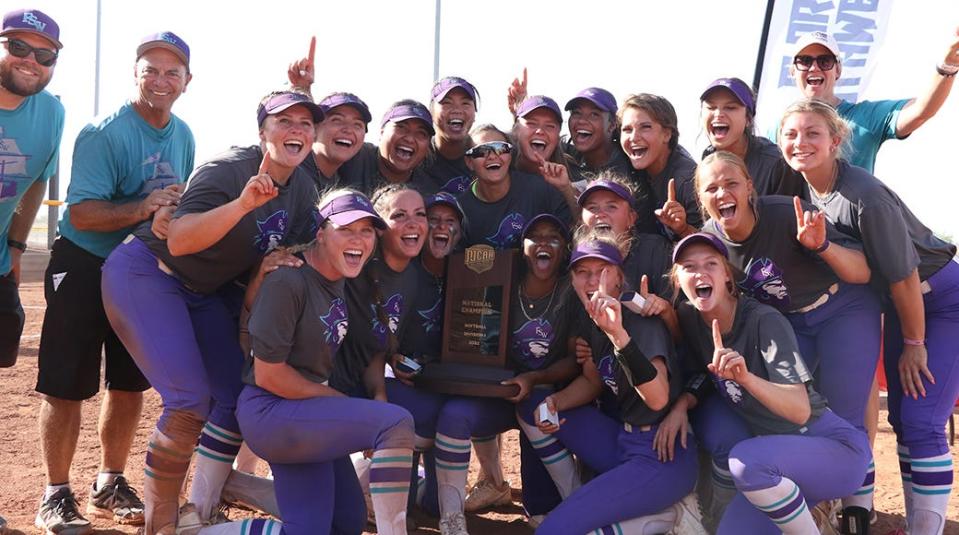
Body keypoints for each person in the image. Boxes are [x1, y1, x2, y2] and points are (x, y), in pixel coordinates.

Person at [100, 90, 323, 534]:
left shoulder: (302, 189)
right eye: (284, 122)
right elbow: (178, 241)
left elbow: (295, 252)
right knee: (188, 400)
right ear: (263, 132)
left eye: (305, 123)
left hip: (205, 291)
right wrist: (242, 204)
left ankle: (205, 501)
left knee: (238, 393)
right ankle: (160, 522)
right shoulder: (229, 168)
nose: (296, 129)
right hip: (149, 272)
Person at [33, 30, 193, 533]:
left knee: (128, 384)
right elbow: (80, 213)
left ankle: (110, 481)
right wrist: (143, 207)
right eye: (151, 69)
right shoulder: (105, 132)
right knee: (67, 384)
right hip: (83, 264)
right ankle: (56, 493)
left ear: (188, 80)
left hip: (141, 270)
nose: (161, 80)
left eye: (173, 71)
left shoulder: (184, 134)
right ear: (135, 73)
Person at [779, 98, 959, 535]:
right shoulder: (807, 191)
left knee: (922, 422)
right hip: (904, 304)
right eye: (791, 134)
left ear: (836, 141)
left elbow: (904, 276)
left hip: (939, 300)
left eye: (812, 133)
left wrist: (915, 345)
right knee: (900, 419)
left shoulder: (864, 195)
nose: (800, 142)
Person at [694, 150, 880, 530]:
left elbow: (862, 270)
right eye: (711, 187)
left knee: (843, 414)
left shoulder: (783, 213)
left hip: (840, 307)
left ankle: (858, 513)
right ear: (701, 199)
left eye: (731, 182)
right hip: (790, 320)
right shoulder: (709, 241)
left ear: (750, 187)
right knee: (795, 415)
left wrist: (822, 246)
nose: (722, 192)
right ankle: (803, 498)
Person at [236, 188, 415, 535]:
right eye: (346, 228)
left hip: (306, 413)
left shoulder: (341, 281)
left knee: (343, 525)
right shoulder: (289, 280)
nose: (358, 239)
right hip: (271, 411)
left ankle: (232, 493)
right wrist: (343, 406)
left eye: (366, 231)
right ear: (320, 232)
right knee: (396, 423)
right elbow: (269, 375)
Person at [666, 232, 870, 534]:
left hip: (831, 449)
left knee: (744, 460)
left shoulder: (763, 320)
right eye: (689, 267)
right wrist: (682, 404)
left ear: (726, 275)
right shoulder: (691, 316)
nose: (700, 273)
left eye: (711, 263)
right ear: (678, 280)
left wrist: (746, 378)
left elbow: (800, 410)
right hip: (780, 466)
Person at [518, 231, 698, 535]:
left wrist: (618, 335)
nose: (591, 281)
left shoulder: (639, 321)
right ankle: (583, 501)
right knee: (533, 405)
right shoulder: (595, 320)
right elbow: (593, 380)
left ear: (618, 277)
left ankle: (661, 514)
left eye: (602, 272)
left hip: (662, 455)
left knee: (552, 531)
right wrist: (556, 402)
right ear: (572, 280)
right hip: (623, 442)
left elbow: (657, 398)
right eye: (582, 272)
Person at [432, 214, 578, 535]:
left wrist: (534, 379)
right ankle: (451, 520)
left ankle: (577, 502)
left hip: (545, 393)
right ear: (521, 247)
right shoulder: (502, 278)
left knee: (536, 407)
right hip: (500, 391)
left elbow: (573, 360)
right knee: (453, 415)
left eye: (553, 237)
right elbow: (476, 338)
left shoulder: (572, 289)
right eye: (534, 236)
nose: (543, 243)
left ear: (565, 248)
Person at [0, 6, 65, 531]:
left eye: (43, 55)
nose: (30, 61)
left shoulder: (52, 112)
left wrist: (17, 248)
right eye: (17, 47)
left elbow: (38, 182)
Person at [790, 29, 959, 173]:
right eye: (804, 61)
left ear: (838, 70)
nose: (814, 67)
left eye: (824, 61)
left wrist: (947, 66)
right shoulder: (782, 129)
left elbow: (921, 109)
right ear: (792, 71)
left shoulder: (865, 117)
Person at [456, 124, 572, 249]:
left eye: (501, 148)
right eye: (482, 151)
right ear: (469, 162)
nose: (493, 156)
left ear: (510, 156)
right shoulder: (461, 210)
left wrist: (566, 189)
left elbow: (575, 232)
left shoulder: (541, 189)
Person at [284, 37, 372, 196]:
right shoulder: (293, 165)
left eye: (357, 125)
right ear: (314, 127)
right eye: (337, 120)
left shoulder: (345, 178)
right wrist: (299, 89)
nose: (347, 130)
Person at [618, 93, 700, 240]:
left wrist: (683, 229)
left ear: (667, 134)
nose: (634, 137)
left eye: (645, 127)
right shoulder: (630, 166)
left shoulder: (688, 180)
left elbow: (715, 243)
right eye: (627, 130)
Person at [699, 77, 796, 197]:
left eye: (730, 107)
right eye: (711, 107)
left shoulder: (775, 163)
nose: (718, 114)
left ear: (748, 119)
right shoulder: (708, 157)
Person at [338, 100, 437, 196]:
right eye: (401, 128)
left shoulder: (428, 192)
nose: (410, 139)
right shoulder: (351, 156)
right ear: (382, 131)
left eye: (421, 133)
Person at [563, 87, 631, 188]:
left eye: (594, 115)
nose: (581, 121)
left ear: (612, 125)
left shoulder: (630, 167)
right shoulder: (564, 156)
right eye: (576, 113)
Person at [424, 76, 480, 194]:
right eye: (447, 103)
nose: (457, 110)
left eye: (465, 103)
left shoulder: (483, 156)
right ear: (431, 112)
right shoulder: (418, 157)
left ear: (475, 113)